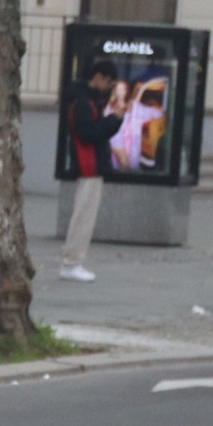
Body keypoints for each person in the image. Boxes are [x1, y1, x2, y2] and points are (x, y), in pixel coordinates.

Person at [59, 60, 131, 282]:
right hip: (88, 164)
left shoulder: (86, 100)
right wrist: (113, 120)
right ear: (98, 77)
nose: (108, 87)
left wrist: (112, 120)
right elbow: (88, 134)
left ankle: (73, 261)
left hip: (90, 164)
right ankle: (72, 262)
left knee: (85, 214)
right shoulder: (83, 102)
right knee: (84, 215)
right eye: (108, 82)